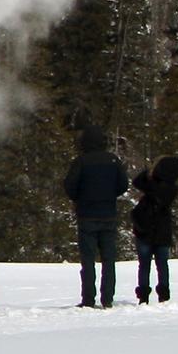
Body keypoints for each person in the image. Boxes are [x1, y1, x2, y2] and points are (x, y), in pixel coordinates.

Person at [59, 132, 124, 310]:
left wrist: (81, 198)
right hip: (108, 214)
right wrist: (109, 196)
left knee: (88, 260)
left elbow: (70, 186)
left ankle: (88, 298)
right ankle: (108, 298)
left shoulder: (81, 161)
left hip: (86, 215)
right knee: (109, 259)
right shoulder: (113, 160)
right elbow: (123, 184)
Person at [129, 154, 178, 306]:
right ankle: (163, 294)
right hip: (163, 230)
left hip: (145, 229)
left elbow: (137, 181)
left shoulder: (152, 185)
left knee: (144, 264)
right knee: (162, 264)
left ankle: (143, 295)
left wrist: (150, 171)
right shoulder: (172, 188)